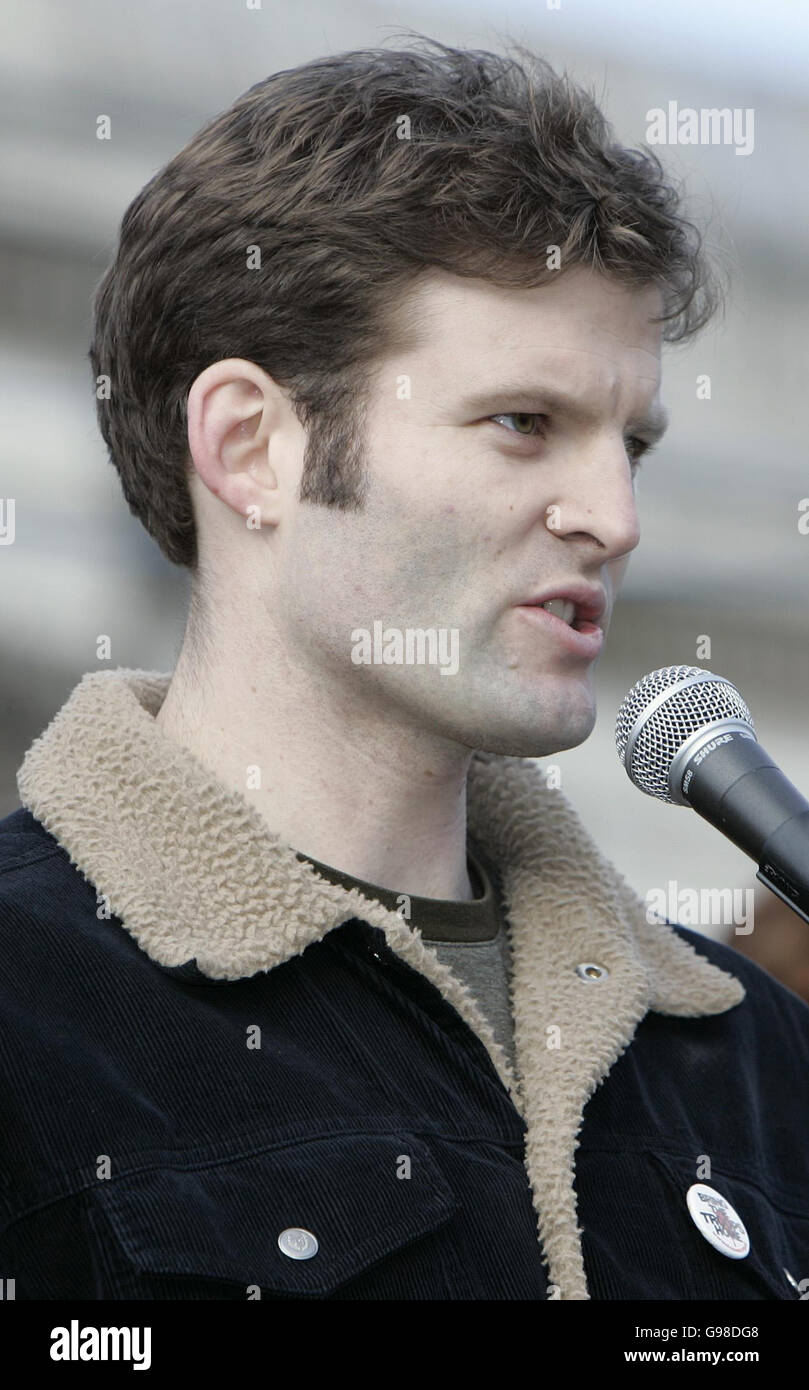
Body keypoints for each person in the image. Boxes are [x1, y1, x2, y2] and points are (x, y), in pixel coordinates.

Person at [2, 36, 807, 1302]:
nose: (613, 516)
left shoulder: (751, 1059)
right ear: (253, 447)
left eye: (631, 445)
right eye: (522, 423)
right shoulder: (29, 1003)